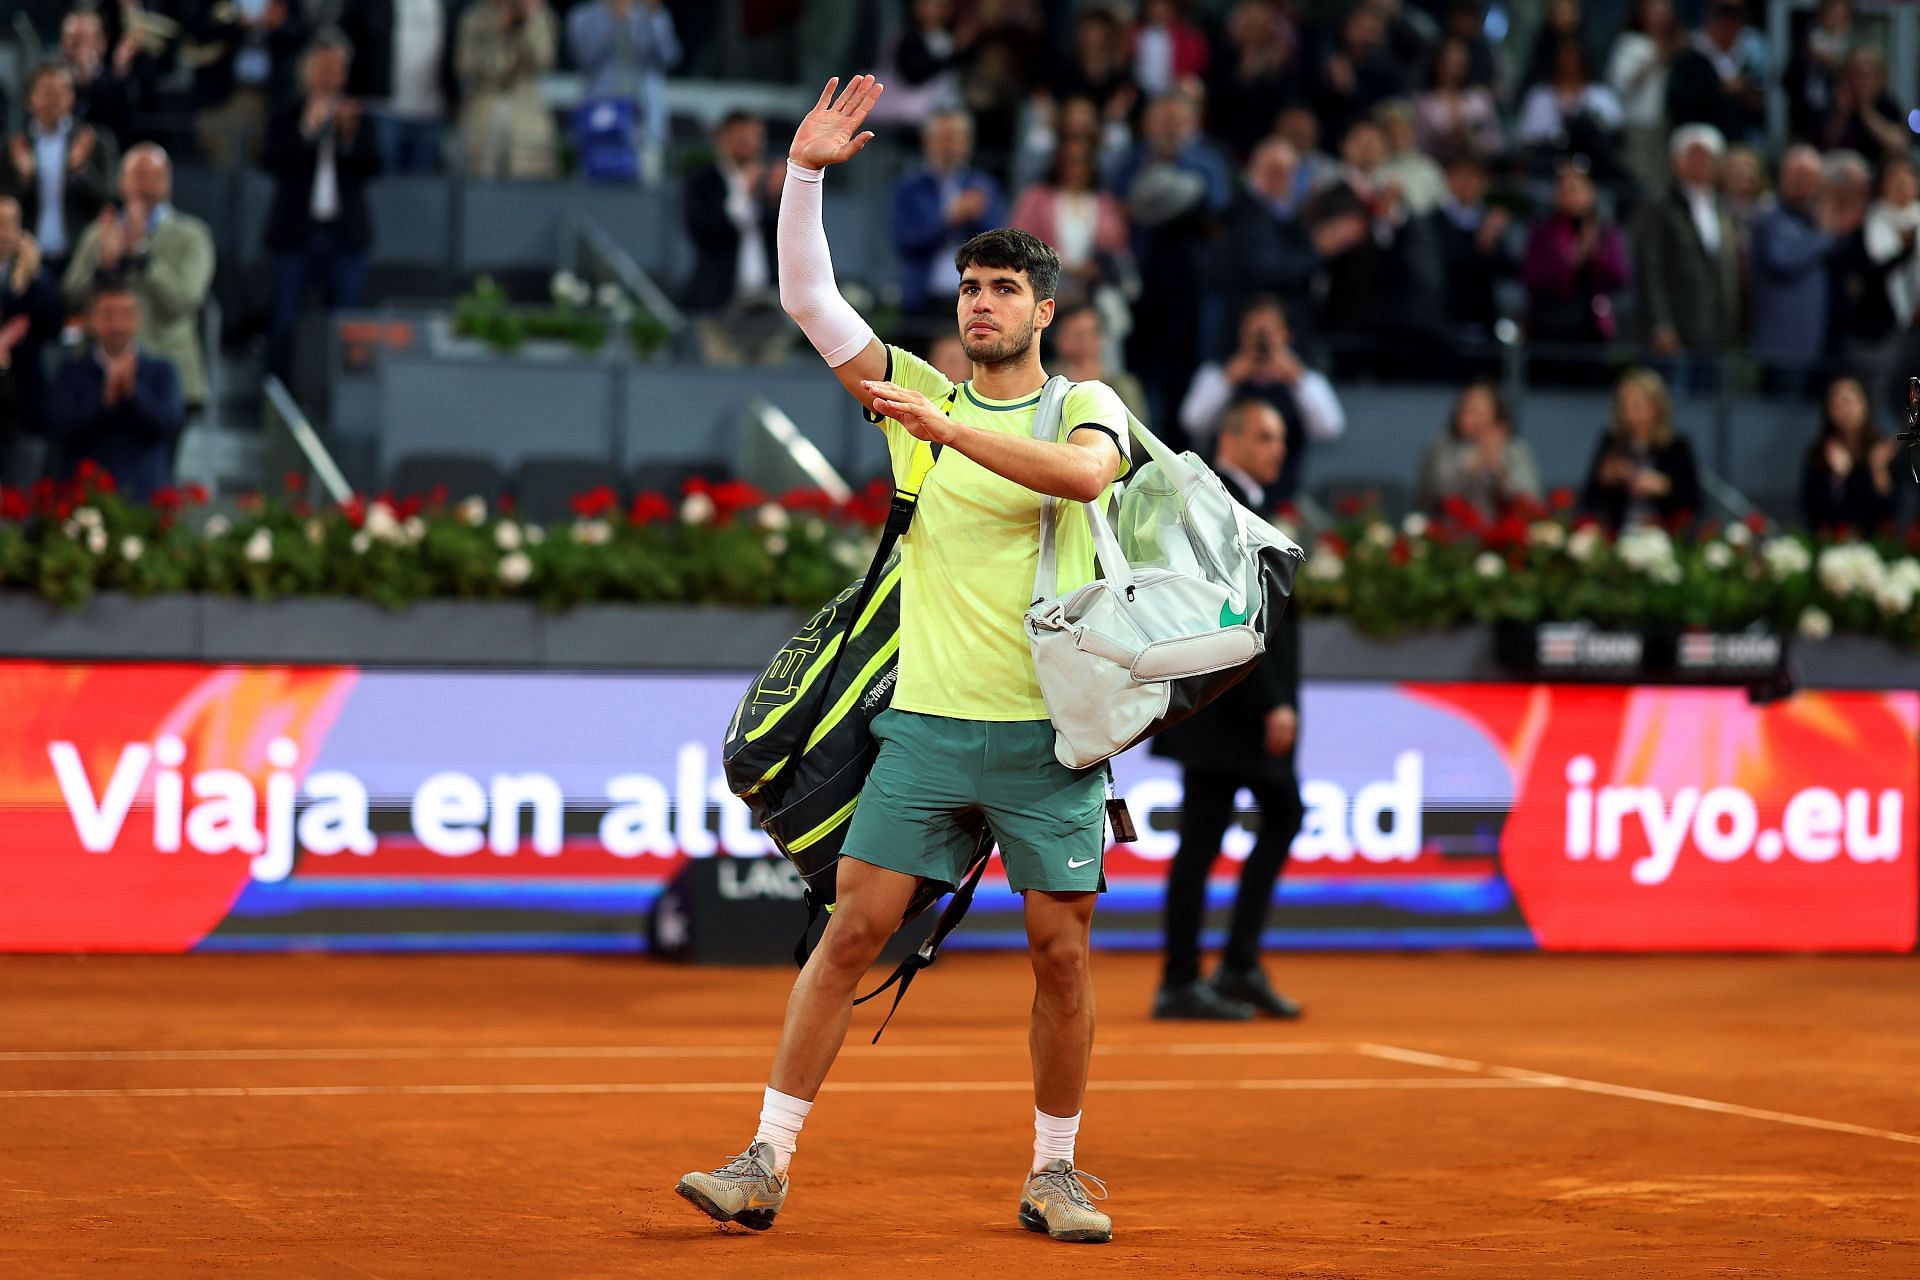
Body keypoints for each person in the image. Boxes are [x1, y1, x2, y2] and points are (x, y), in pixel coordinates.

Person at [674, 75, 1131, 1246]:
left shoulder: (1085, 402)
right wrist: (805, 173)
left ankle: (1056, 1172)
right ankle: (763, 1160)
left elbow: (1081, 480)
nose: (981, 304)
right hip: (923, 728)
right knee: (849, 936)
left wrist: (944, 429)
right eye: (972, 288)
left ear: (1044, 313)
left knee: (1060, 952)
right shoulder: (914, 391)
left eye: (1005, 291)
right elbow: (805, 295)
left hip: (1047, 737)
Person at [1149, 396, 1302, 1024]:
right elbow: (1239, 614)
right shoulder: (1220, 505)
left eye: (1281, 437)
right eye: (1266, 435)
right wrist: (1275, 703)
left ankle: (1229, 966)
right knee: (1213, 837)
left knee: (1233, 829)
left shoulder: (1239, 504)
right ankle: (1188, 978)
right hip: (1227, 709)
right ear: (1230, 440)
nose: (1278, 447)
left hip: (1230, 709)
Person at [60, 145, 217, 415]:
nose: (143, 183)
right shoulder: (98, 233)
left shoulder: (193, 236)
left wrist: (142, 256)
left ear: (167, 181)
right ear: (121, 181)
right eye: (136, 175)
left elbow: (185, 300)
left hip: (169, 372)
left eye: (151, 175)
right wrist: (103, 266)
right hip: (98, 375)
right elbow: (70, 295)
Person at [263, 31, 381, 383]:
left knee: (345, 323)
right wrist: (308, 130)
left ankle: (341, 400)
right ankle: (275, 395)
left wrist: (347, 137)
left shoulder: (359, 116)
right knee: (283, 319)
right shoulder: (286, 115)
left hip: (344, 237)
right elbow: (273, 162)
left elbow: (374, 167)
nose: (329, 75)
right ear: (307, 70)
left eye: (336, 68)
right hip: (293, 235)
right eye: (323, 67)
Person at [1179, 296, 1344, 505]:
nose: (1262, 343)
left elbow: (1331, 427)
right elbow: (1192, 421)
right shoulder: (1218, 373)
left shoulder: (1305, 380)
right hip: (1224, 495)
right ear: (1240, 335)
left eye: (1270, 333)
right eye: (1253, 333)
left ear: (1287, 335)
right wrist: (1230, 376)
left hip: (1284, 494)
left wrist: (1295, 376)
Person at [1217, 137, 1367, 350]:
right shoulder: (1246, 214)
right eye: (1274, 170)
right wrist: (1319, 248)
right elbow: (1268, 271)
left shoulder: (1286, 213)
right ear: (1254, 169)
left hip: (1292, 326)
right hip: (1257, 330)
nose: (1283, 178)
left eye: (1289, 171)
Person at [45, 281, 186, 501]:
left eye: (126, 314)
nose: (118, 325)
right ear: (92, 321)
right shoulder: (70, 371)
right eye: (108, 315)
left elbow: (170, 425)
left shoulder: (161, 371)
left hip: (144, 494)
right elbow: (59, 428)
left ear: (138, 319)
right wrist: (104, 399)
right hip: (83, 494)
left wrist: (132, 394)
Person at [1632, 125, 1739, 390]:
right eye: (1695, 156)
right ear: (1677, 161)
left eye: (1709, 157)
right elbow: (1650, 267)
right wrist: (1661, 324)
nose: (1703, 163)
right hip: (1677, 331)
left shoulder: (1723, 209)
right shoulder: (1661, 206)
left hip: (1716, 331)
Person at [682, 111, 787, 365]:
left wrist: (784, 196)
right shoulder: (704, 182)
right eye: (740, 137)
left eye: (754, 137)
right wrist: (744, 196)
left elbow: (793, 235)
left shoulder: (775, 181)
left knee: (772, 384)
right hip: (720, 305)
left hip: (769, 305)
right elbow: (701, 229)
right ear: (723, 139)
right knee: (722, 381)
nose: (748, 144)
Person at [0, 63, 117, 276]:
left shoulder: (95, 142)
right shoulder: (13, 146)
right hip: (25, 257)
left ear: (72, 97)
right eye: (46, 91)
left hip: (81, 258)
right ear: (30, 99)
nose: (54, 99)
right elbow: (5, 209)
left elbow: (109, 201)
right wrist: (24, 178)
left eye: (62, 90)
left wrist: (81, 171)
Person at [1751, 146, 1850, 395]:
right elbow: (1783, 260)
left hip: (1823, 344)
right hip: (1784, 347)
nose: (1803, 183)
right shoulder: (1769, 220)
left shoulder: (1819, 219)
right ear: (1782, 179)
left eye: (1809, 177)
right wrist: (1825, 236)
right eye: (1797, 176)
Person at [1406, 148, 1513, 371]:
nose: (1468, 183)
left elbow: (1507, 270)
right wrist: (1481, 244)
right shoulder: (1427, 222)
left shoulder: (1491, 224)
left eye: (1475, 177)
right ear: (1448, 179)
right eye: (1461, 175)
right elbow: (1432, 271)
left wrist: (1491, 244)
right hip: (1440, 331)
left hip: (1484, 328)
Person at [890, 110, 1006, 316]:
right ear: (927, 141)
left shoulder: (984, 185)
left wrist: (975, 216)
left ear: (969, 142)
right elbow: (905, 240)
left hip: (976, 292)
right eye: (943, 137)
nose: (950, 146)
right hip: (923, 293)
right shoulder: (909, 187)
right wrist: (948, 219)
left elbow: (999, 242)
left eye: (956, 138)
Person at [1523, 161, 1629, 371]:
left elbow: (1619, 277)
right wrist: (1573, 260)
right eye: (1564, 188)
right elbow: (1533, 277)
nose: (1571, 194)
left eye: (1577, 188)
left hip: (1591, 326)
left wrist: (1596, 255)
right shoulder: (1542, 232)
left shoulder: (1606, 233)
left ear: (1592, 193)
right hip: (1548, 326)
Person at [181, 0, 308, 167]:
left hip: (273, 100)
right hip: (222, 96)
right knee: (224, 169)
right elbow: (192, 27)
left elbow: (302, 34)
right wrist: (235, 26)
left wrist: (278, 25)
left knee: (267, 171)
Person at [340, 0, 454, 174]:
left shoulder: (447, 4)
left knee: (425, 192)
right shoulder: (372, 5)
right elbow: (349, 39)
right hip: (384, 110)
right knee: (384, 187)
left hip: (431, 113)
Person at [1579, 366, 1699, 529]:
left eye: (1637, 406)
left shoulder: (1676, 446)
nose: (1631, 414)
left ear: (1657, 407)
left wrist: (1662, 487)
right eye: (1625, 407)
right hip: (1619, 533)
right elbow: (1588, 501)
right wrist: (1606, 480)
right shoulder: (1612, 443)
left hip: (1663, 535)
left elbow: (1695, 502)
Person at [565, 0, 681, 167]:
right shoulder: (583, 15)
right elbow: (585, 57)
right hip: (599, 113)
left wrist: (651, 18)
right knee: (597, 178)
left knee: (648, 177)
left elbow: (669, 58)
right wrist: (616, 19)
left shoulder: (652, 13)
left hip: (645, 117)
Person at [454, 0, 559, 180]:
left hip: (526, 112)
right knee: (479, 180)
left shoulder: (539, 14)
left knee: (528, 180)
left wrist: (528, 20)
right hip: (484, 111)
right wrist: (501, 30)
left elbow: (543, 60)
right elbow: (467, 65)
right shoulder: (476, 17)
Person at [1415, 380, 1541, 519]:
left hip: (1503, 532)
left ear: (1496, 415)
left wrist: (1499, 470)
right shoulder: (1442, 446)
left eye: (1476, 411)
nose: (1467, 417)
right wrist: (1475, 461)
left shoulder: (1515, 449)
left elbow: (1529, 499)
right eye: (1464, 409)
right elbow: (1435, 491)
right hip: (1449, 531)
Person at [0, 196, 65, 454]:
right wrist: (15, 289)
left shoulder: (38, 276)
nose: (3, 233)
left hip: (22, 397)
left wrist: (34, 278)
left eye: (9, 225)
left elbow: (52, 327)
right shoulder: (19, 280)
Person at [1800, 374, 1899, 533]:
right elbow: (1811, 510)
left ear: (1865, 404)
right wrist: (1838, 479)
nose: (1844, 410)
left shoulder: (1883, 449)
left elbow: (1893, 512)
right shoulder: (1819, 452)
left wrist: (1879, 472)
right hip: (1833, 542)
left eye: (1849, 401)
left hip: (1875, 543)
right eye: (1836, 404)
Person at [1605, 0, 1681, 196]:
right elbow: (1620, 85)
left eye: (1665, 12)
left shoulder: (1677, 46)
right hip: (1637, 122)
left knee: (1660, 181)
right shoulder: (1629, 43)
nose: (1660, 17)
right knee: (1637, 179)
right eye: (1654, 11)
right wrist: (1654, 58)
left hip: (1666, 123)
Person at [1664, 0, 1764, 145]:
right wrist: (1718, 88)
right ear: (1714, 23)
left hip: (1734, 139)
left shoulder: (1743, 57)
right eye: (1727, 25)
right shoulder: (1689, 55)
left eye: (1736, 26)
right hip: (1697, 140)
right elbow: (1679, 101)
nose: (1733, 32)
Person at [1049, 301, 1147, 424]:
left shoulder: (1124, 386)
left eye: (1092, 334)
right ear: (1058, 338)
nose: (1085, 343)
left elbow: (1136, 439)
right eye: (1077, 336)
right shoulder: (1040, 381)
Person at [1413, 34, 1503, 160]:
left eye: (1460, 63)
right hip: (1436, 165)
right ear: (1437, 62)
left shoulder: (1479, 98)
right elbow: (1418, 145)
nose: (1455, 69)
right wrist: (1443, 139)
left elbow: (1497, 141)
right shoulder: (1423, 101)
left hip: (1478, 164)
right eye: (1450, 62)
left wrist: (1473, 139)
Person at [1812, 48, 1908, 163]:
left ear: (1880, 79)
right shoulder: (1833, 105)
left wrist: (1866, 111)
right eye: (1854, 75)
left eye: (1864, 76)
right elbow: (1822, 146)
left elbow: (1898, 145)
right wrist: (1843, 113)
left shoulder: (1888, 105)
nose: (1859, 83)